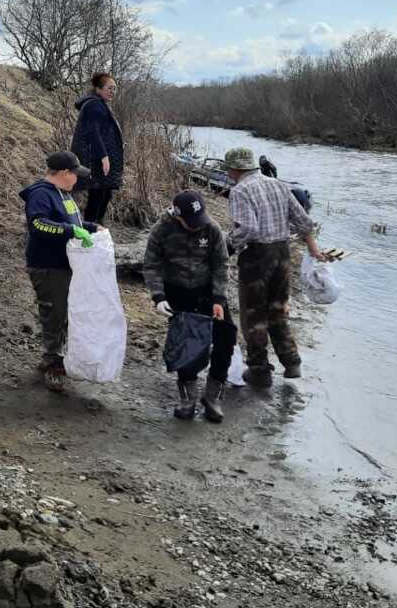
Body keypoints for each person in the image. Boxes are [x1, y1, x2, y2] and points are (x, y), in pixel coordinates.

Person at [223, 147, 328, 388]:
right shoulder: (279, 185)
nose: (229, 174)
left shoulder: (240, 190)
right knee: (278, 309)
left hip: (257, 255)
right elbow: (304, 221)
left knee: (253, 314)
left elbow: (247, 229)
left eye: (229, 169)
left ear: (234, 169)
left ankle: (259, 371)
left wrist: (227, 247)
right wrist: (313, 249)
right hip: (282, 253)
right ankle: (292, 362)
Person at [143, 190, 236, 423]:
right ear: (177, 215)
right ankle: (188, 398)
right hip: (177, 291)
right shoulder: (162, 230)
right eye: (190, 222)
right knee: (186, 344)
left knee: (226, 338)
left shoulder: (211, 228)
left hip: (208, 292)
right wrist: (158, 297)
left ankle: (213, 396)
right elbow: (151, 264)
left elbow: (221, 265)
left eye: (199, 221)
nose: (196, 226)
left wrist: (218, 298)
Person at [18, 151, 98, 393]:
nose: (77, 180)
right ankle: (54, 364)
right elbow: (38, 224)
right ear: (64, 173)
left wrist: (91, 228)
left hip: (64, 265)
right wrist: (71, 232)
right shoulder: (41, 194)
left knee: (64, 312)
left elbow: (71, 223)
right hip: (47, 266)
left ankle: (53, 357)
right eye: (75, 175)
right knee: (54, 313)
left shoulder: (64, 194)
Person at [71, 73, 124, 224]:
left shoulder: (99, 104)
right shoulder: (95, 105)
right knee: (98, 194)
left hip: (99, 158)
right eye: (109, 88)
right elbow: (93, 132)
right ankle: (91, 227)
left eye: (115, 89)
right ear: (98, 89)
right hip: (96, 159)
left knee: (105, 194)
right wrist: (104, 157)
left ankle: (96, 227)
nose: (113, 91)